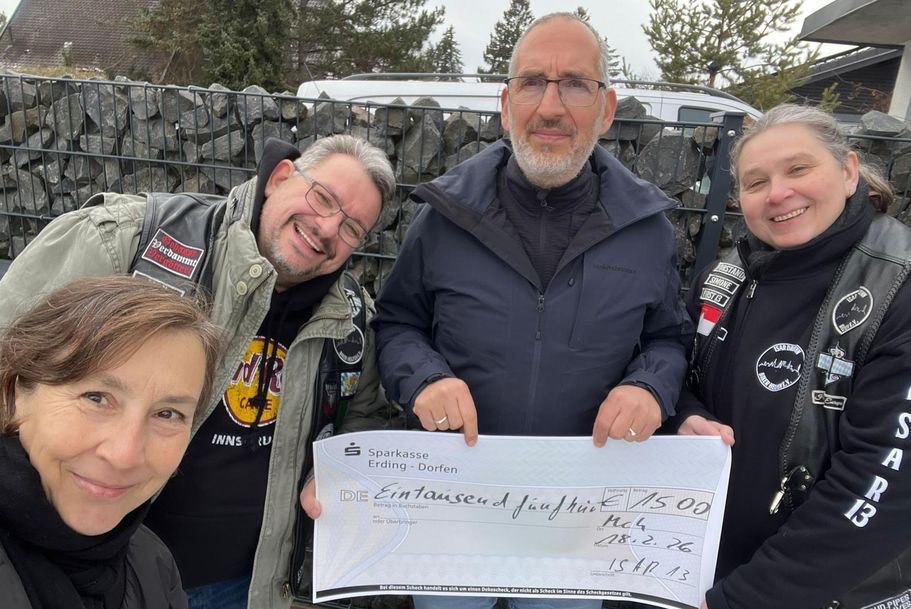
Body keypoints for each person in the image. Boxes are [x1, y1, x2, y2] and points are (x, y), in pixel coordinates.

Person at [371, 12, 692, 609]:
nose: (550, 106)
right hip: (454, 509)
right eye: (532, 83)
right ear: (505, 103)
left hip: (580, 519)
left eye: (575, 84)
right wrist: (425, 377)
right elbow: (397, 323)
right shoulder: (442, 219)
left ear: (607, 108)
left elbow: (669, 339)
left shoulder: (647, 232)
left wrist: (649, 386)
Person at [0, 134, 397, 608]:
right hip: (93, 572)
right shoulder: (126, 240)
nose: (328, 228)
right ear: (279, 178)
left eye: (352, 227)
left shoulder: (352, 318)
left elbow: (363, 417)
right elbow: (10, 353)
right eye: (323, 198)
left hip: (251, 584)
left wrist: (338, 473)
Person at [672, 104, 911, 609]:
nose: (778, 193)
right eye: (756, 182)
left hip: (824, 593)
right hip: (701, 567)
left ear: (848, 171)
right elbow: (678, 367)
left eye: (798, 169)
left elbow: (884, 483)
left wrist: (744, 598)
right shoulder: (727, 274)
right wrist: (685, 414)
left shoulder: (897, 288)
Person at [0, 276, 222, 609]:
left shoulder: (155, 565)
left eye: (167, 414)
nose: (124, 455)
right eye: (96, 398)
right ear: (16, 394)